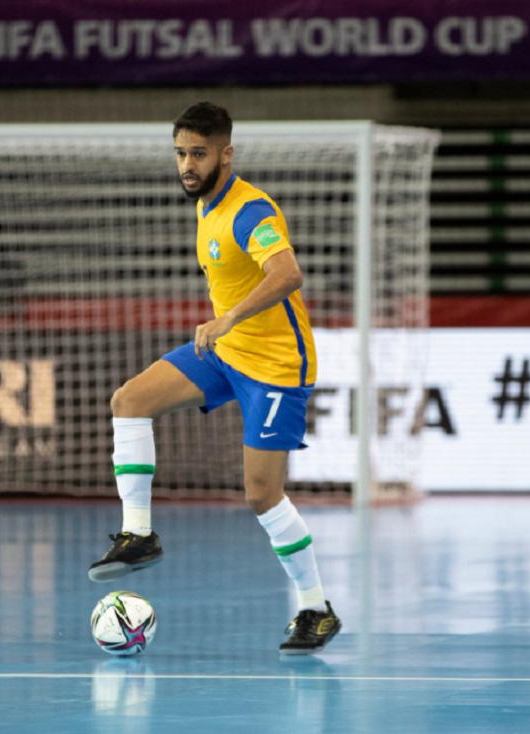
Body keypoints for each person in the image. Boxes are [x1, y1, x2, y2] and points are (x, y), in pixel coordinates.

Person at [88, 103, 341, 655]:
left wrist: (228, 318)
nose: (187, 164)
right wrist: (226, 331)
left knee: (261, 495)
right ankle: (139, 534)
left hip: (275, 367)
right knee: (129, 400)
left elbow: (288, 273)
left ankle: (315, 608)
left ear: (226, 153)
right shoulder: (205, 204)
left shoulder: (250, 209)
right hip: (226, 351)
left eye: (198, 154)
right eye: (180, 153)